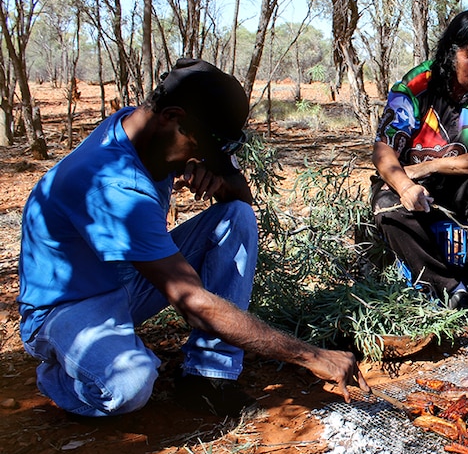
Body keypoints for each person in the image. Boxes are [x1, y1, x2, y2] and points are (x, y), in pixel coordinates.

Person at [17, 59, 369, 418]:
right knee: (130, 387)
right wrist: (311, 355)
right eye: (201, 148)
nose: (202, 157)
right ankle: (62, 371)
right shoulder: (113, 184)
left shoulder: (139, 126)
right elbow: (195, 303)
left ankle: (207, 375)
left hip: (124, 280)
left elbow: (241, 197)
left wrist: (213, 176)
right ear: (171, 117)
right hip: (67, 306)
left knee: (236, 216)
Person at [371, 9, 468, 322]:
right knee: (386, 205)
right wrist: (407, 185)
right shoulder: (418, 84)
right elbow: (383, 149)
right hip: (414, 188)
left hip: (460, 186)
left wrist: (428, 167)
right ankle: (447, 287)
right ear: (453, 52)